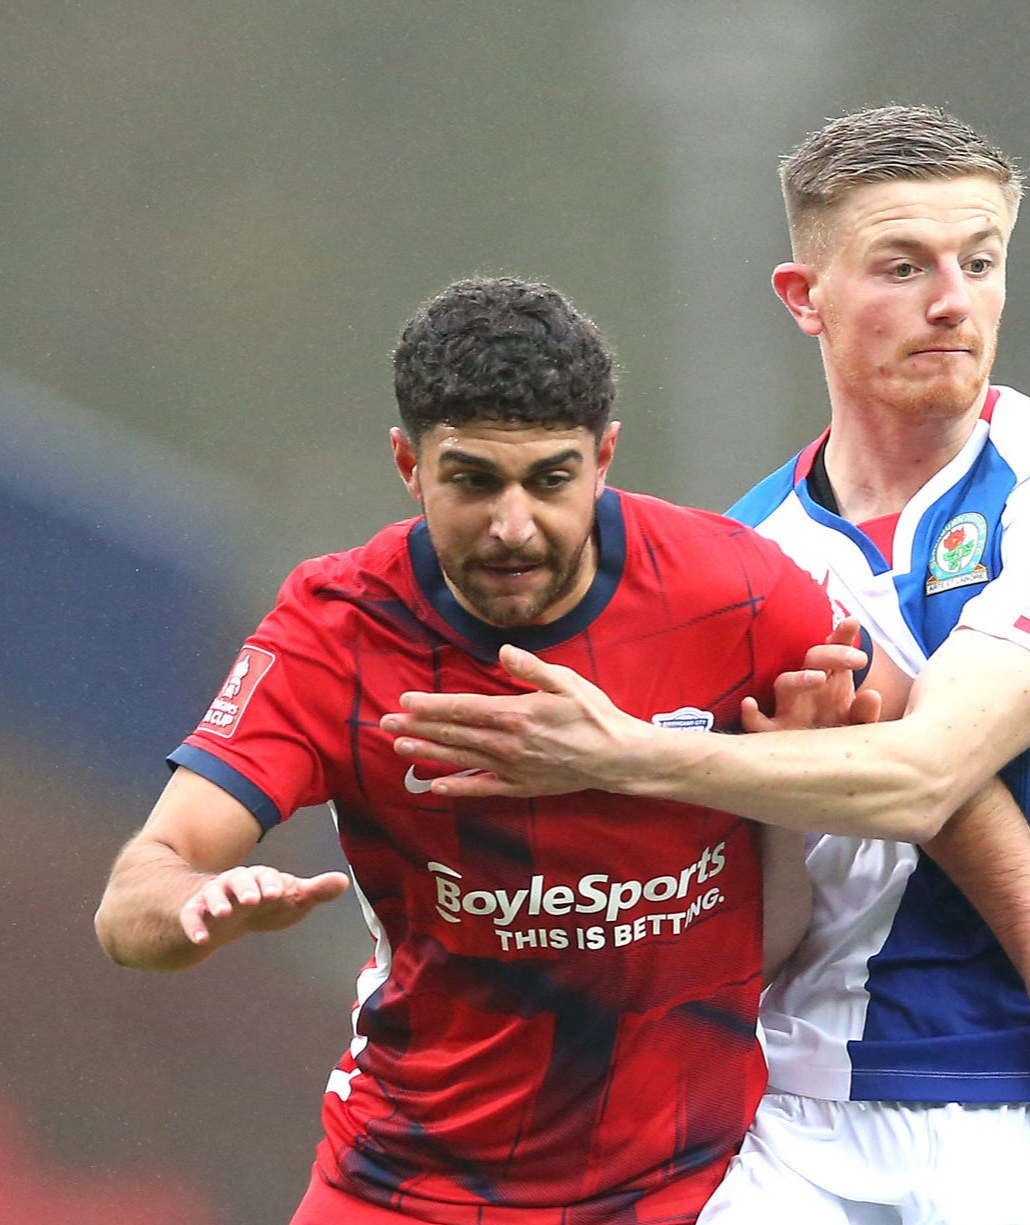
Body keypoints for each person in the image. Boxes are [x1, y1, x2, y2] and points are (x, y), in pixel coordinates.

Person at [382, 104, 1030, 1223]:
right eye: (901, 266)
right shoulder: (746, 551)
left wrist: (627, 757)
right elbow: (758, 920)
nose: (951, 301)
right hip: (796, 1106)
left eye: (980, 261)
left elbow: (921, 775)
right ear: (802, 297)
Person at [93, 275, 857, 1224]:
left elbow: (927, 762)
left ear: (605, 457)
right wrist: (199, 904)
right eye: (472, 480)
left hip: (695, 1184)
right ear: (409, 465)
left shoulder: (734, 591)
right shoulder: (336, 628)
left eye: (550, 479)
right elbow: (134, 903)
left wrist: (796, 771)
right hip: (403, 1183)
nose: (513, 526)